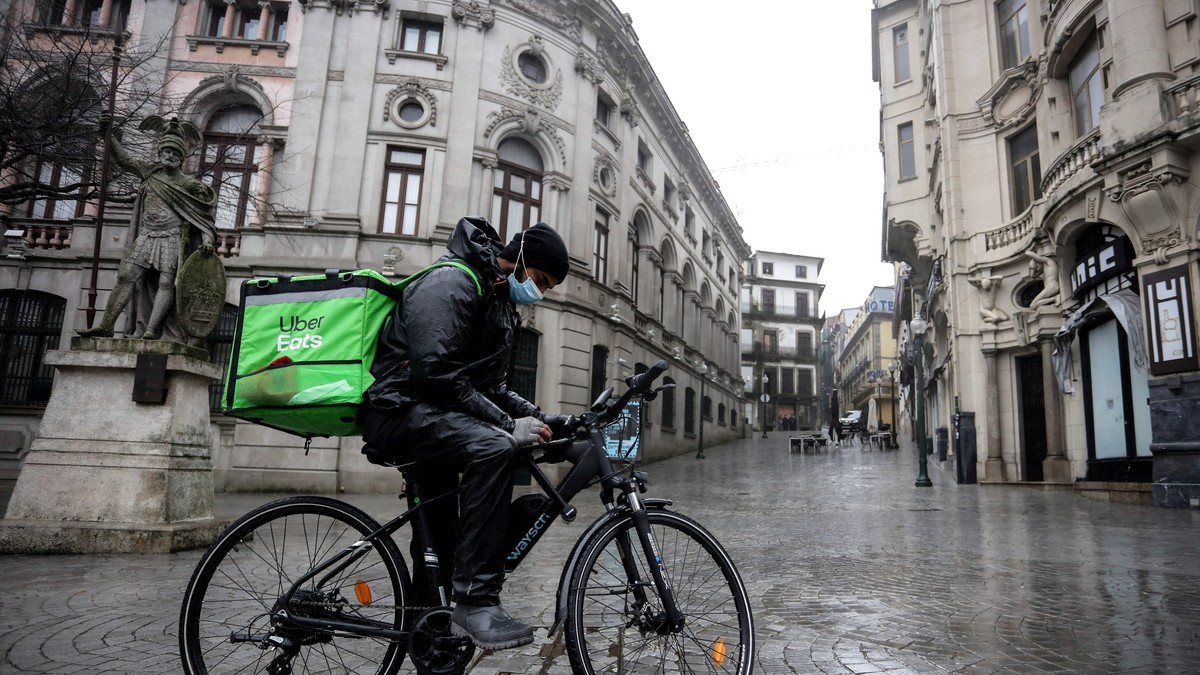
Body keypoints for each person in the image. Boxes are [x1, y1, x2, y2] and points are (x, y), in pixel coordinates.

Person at [361, 217, 571, 650]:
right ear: (520, 258)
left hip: (433, 416)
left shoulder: (497, 299)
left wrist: (543, 418)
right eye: (540, 280)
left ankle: (429, 636)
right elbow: (436, 372)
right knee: (495, 447)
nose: (540, 292)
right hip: (397, 410)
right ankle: (475, 600)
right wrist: (508, 426)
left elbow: (491, 388)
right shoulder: (452, 282)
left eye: (548, 287)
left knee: (439, 540)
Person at [79, 115, 217, 340]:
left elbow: (203, 215)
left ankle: (152, 329)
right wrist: (107, 134)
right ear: (160, 153)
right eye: (166, 151)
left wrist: (208, 240)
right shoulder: (149, 171)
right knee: (126, 277)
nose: (169, 155)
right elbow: (124, 160)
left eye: (174, 152)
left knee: (166, 283)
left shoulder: (189, 184)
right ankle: (106, 326)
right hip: (147, 235)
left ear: (181, 157)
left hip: (171, 237)